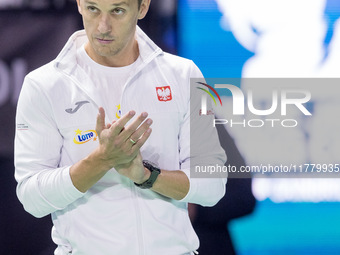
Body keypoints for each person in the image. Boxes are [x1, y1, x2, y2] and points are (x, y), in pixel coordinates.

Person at [14, 0, 227, 254]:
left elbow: (213, 185)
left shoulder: (183, 74)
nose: (103, 26)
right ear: (80, 4)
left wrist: (146, 176)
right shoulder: (44, 85)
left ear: (143, 7)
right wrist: (101, 160)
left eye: (117, 10)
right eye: (93, 9)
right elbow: (32, 199)